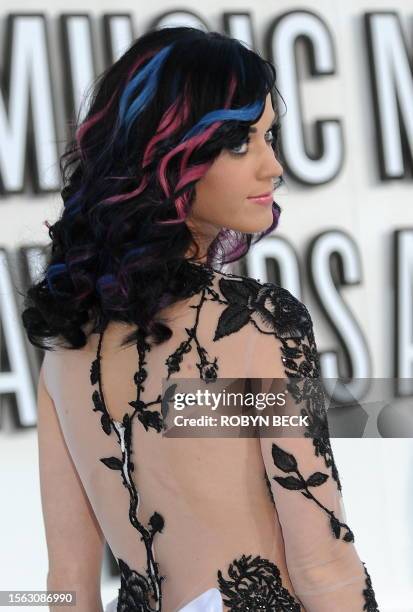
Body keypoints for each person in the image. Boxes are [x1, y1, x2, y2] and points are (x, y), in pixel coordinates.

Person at [21, 26, 379, 612]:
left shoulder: (65, 345)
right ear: (167, 155)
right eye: (240, 142)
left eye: (270, 137)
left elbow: (66, 586)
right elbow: (323, 563)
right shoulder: (260, 326)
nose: (274, 167)